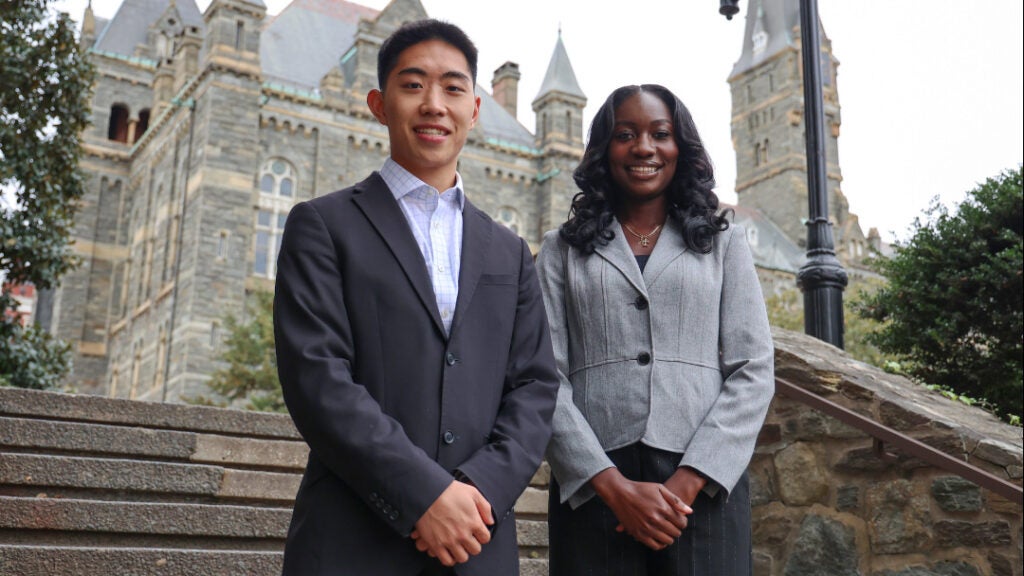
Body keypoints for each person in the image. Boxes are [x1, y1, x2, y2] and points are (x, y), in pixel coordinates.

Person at [273, 19, 559, 576]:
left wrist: (475, 492)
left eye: (453, 88)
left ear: (474, 110)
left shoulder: (509, 252)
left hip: (477, 542)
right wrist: (424, 496)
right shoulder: (323, 226)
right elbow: (317, 377)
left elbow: (535, 387)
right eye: (413, 85)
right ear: (379, 105)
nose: (434, 104)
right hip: (353, 542)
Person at [536, 84, 774, 576]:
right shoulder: (561, 250)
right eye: (625, 135)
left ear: (679, 147)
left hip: (704, 485)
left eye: (660, 134)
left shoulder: (723, 243)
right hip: (595, 486)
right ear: (604, 150)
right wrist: (609, 484)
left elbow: (753, 369)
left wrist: (690, 480)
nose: (644, 147)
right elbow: (542, 376)